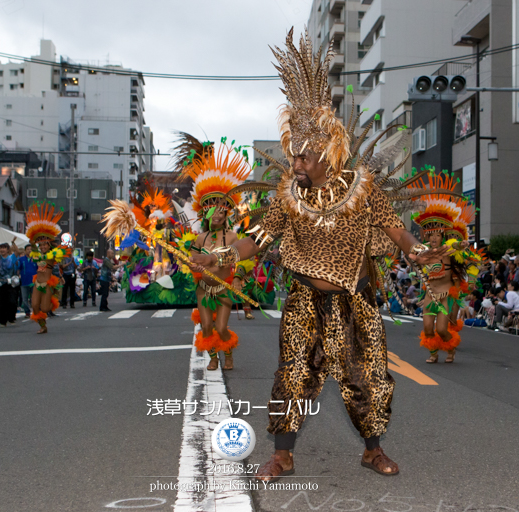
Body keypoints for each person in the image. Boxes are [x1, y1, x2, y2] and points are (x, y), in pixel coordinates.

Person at [189, 29, 452, 481]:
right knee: (291, 374)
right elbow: (258, 238)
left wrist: (420, 251)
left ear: (329, 151)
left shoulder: (364, 188)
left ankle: (372, 450)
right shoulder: (288, 195)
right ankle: (283, 454)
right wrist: (221, 258)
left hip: (357, 298)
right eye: (293, 157)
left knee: (367, 376)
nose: (296, 165)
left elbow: (396, 231)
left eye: (304, 158)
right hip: (304, 299)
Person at [175, 133, 254, 371]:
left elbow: (242, 259)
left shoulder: (231, 237)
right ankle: (212, 357)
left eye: (221, 212)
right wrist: (192, 266)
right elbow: (190, 262)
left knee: (221, 328)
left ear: (226, 214)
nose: (217, 215)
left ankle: (227, 353)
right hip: (204, 289)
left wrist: (238, 278)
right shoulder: (200, 237)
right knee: (207, 328)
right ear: (205, 214)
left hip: (223, 288)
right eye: (212, 211)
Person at [410, 174, 478, 364]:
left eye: (437, 235)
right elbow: (415, 260)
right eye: (430, 235)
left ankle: (451, 348)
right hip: (430, 295)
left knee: (442, 329)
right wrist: (412, 257)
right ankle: (433, 353)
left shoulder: (449, 251)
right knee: (428, 328)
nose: (433, 238)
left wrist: (462, 246)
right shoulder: (424, 253)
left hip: (447, 294)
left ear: (443, 236)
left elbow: (459, 249)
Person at [25, 202, 68, 333]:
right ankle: (43, 326)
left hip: (48, 283)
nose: (43, 247)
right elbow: (32, 247)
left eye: (45, 245)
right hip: (37, 283)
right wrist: (33, 238)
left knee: (44, 308)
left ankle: (54, 297)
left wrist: (60, 277)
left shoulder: (52, 255)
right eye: (41, 245)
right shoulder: (36, 254)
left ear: (49, 246)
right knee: (35, 306)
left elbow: (60, 254)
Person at [0, 235, 19, 327]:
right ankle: (3, 321)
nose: (2, 250)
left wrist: (13, 242)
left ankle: (11, 318)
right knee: (2, 302)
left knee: (12, 301)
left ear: (7, 249)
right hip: (1, 283)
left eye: (4, 248)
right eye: (1, 248)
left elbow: (17, 251)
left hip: (10, 283)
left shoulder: (11, 257)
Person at [18, 245, 37, 318]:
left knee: (34, 299)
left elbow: (39, 269)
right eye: (28, 249)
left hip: (34, 282)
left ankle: (35, 311)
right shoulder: (21, 259)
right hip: (24, 282)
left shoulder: (35, 259)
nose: (29, 250)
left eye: (31, 249)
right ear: (25, 251)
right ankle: (27, 312)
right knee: (24, 299)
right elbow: (18, 268)